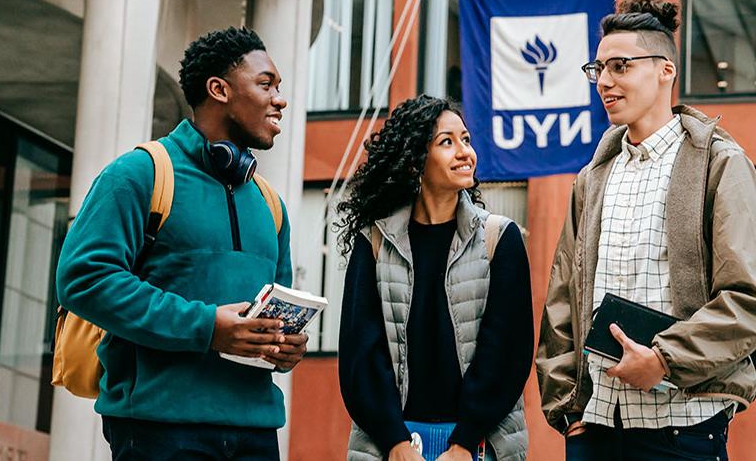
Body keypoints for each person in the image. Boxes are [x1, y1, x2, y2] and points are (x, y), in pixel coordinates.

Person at [536, 0, 756, 461]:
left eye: (621, 66)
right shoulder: (592, 177)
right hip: (596, 429)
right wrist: (567, 408)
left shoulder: (719, 164)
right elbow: (562, 300)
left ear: (665, 70)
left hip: (684, 429)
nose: (605, 81)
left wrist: (664, 360)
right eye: (599, 69)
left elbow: (752, 299)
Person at [56, 26, 307, 460]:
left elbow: (276, 304)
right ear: (219, 89)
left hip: (258, 433)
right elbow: (84, 279)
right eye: (266, 84)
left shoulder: (271, 204)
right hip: (159, 430)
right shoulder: (139, 174)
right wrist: (208, 328)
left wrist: (282, 345)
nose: (279, 99)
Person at [337, 95, 532, 461]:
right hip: (388, 448)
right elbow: (360, 356)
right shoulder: (374, 242)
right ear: (415, 162)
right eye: (447, 142)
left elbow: (507, 354)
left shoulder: (499, 239)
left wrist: (463, 444)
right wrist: (396, 442)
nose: (464, 152)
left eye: (466, 140)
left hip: (479, 446)